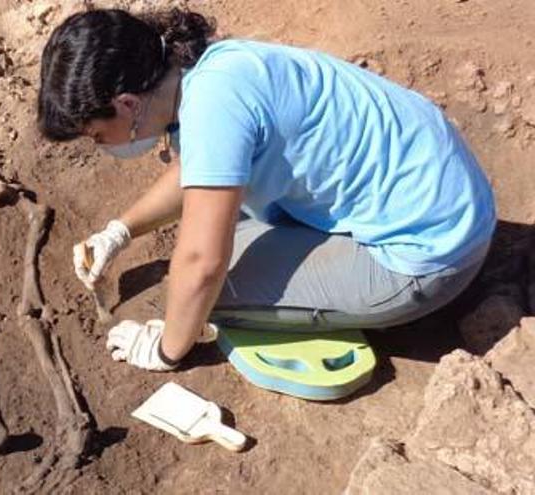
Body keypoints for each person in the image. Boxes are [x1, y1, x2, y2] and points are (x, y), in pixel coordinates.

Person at [36, 8, 496, 371]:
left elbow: (202, 266)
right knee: (221, 236)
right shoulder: (208, 69)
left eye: (97, 136)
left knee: (205, 292)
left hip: (430, 254)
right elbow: (202, 165)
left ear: (127, 104)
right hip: (447, 192)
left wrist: (166, 348)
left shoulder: (214, 111)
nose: (101, 147)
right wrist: (121, 230)